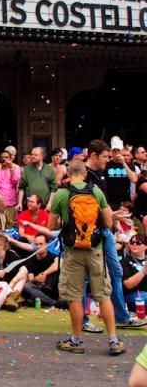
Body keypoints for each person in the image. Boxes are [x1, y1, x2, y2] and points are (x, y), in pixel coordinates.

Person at [49, 159, 125, 355]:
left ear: (68, 173)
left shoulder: (62, 194)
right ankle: (113, 340)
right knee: (103, 295)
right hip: (95, 248)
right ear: (84, 174)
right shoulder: (97, 192)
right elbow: (108, 222)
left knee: (74, 296)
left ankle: (76, 340)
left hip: (73, 251)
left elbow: (51, 225)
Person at [85, 139, 146, 330]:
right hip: (88, 233)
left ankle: (121, 317)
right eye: (105, 157)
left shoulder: (100, 174)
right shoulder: (85, 177)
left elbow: (103, 207)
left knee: (116, 271)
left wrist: (113, 217)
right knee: (84, 277)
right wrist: (112, 216)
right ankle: (83, 320)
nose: (107, 160)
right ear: (94, 155)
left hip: (105, 228)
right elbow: (87, 211)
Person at [0, 233, 28, 312]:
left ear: (1, 246)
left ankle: (10, 297)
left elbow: (24, 270)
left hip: (11, 285)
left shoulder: (11, 255)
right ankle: (10, 298)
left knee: (23, 277)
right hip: (0, 286)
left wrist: (13, 282)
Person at [21, 234, 62, 308]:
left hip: (52, 288)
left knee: (55, 269)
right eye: (36, 244)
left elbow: (59, 263)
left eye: (41, 244)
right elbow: (31, 280)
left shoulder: (53, 257)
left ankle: (44, 299)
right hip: (39, 289)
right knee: (27, 286)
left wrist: (44, 274)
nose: (38, 247)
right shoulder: (30, 260)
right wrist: (36, 279)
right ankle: (54, 303)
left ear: (47, 245)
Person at [18, 147, 57, 212]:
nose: (32, 156)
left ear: (42, 156)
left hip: (45, 206)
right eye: (32, 154)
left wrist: (50, 204)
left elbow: (54, 190)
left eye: (35, 155)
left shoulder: (49, 170)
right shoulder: (27, 169)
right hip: (29, 206)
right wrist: (19, 203)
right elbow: (21, 188)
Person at [0, 149, 21, 226]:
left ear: (11, 159)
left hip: (11, 202)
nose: (4, 159)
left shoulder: (16, 168)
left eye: (6, 157)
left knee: (11, 224)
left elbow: (15, 182)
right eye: (2, 157)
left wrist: (11, 168)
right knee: (0, 225)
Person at [106, 136, 138, 211]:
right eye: (114, 150)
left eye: (118, 150)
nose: (117, 152)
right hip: (111, 201)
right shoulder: (106, 164)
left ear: (122, 151)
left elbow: (134, 179)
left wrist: (123, 163)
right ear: (111, 151)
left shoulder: (129, 165)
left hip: (125, 201)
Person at [121, 234, 147, 312]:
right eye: (132, 242)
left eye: (138, 242)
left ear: (145, 246)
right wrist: (144, 270)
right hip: (134, 294)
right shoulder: (125, 261)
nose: (135, 244)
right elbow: (128, 284)